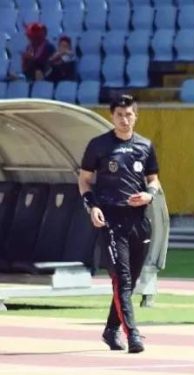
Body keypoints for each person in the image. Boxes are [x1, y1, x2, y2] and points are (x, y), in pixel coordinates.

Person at [78, 95, 162, 353]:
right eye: (119, 116)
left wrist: (149, 194)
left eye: (129, 115)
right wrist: (92, 207)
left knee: (132, 280)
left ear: (136, 116)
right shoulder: (99, 145)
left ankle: (110, 329)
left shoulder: (145, 146)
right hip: (111, 220)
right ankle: (133, 334)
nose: (124, 120)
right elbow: (84, 180)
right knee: (122, 279)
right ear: (111, 117)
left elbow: (154, 180)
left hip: (139, 220)